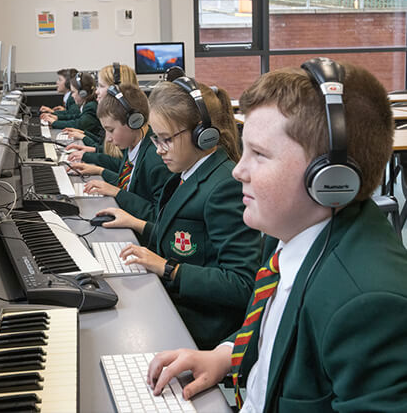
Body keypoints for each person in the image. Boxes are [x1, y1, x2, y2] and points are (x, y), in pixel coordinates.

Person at [146, 59, 407, 412]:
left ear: (330, 179)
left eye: (259, 154)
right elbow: (277, 328)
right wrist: (223, 356)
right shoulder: (290, 232)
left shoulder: (367, 303)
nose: (238, 170)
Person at [97, 78, 261, 349]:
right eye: (156, 139)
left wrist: (168, 269)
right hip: (175, 303)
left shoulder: (223, 187)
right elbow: (185, 239)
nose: (159, 149)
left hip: (201, 326)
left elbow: (242, 283)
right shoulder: (183, 175)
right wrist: (142, 229)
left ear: (202, 134)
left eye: (166, 140)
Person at [69, 84, 172, 221]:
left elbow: (159, 217)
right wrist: (100, 172)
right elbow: (129, 183)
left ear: (134, 122)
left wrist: (117, 193)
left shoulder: (156, 159)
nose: (108, 139)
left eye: (111, 130)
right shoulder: (132, 145)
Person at [63, 63, 138, 159]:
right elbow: (110, 152)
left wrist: (96, 167)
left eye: (101, 86)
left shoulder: (127, 122)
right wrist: (92, 148)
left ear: (117, 90)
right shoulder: (115, 115)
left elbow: (119, 164)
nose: (96, 91)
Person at [41, 71, 103, 137]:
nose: (72, 96)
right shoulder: (87, 104)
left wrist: (55, 123)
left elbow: (78, 125)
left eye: (73, 92)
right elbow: (77, 116)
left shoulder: (91, 106)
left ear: (83, 93)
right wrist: (57, 117)